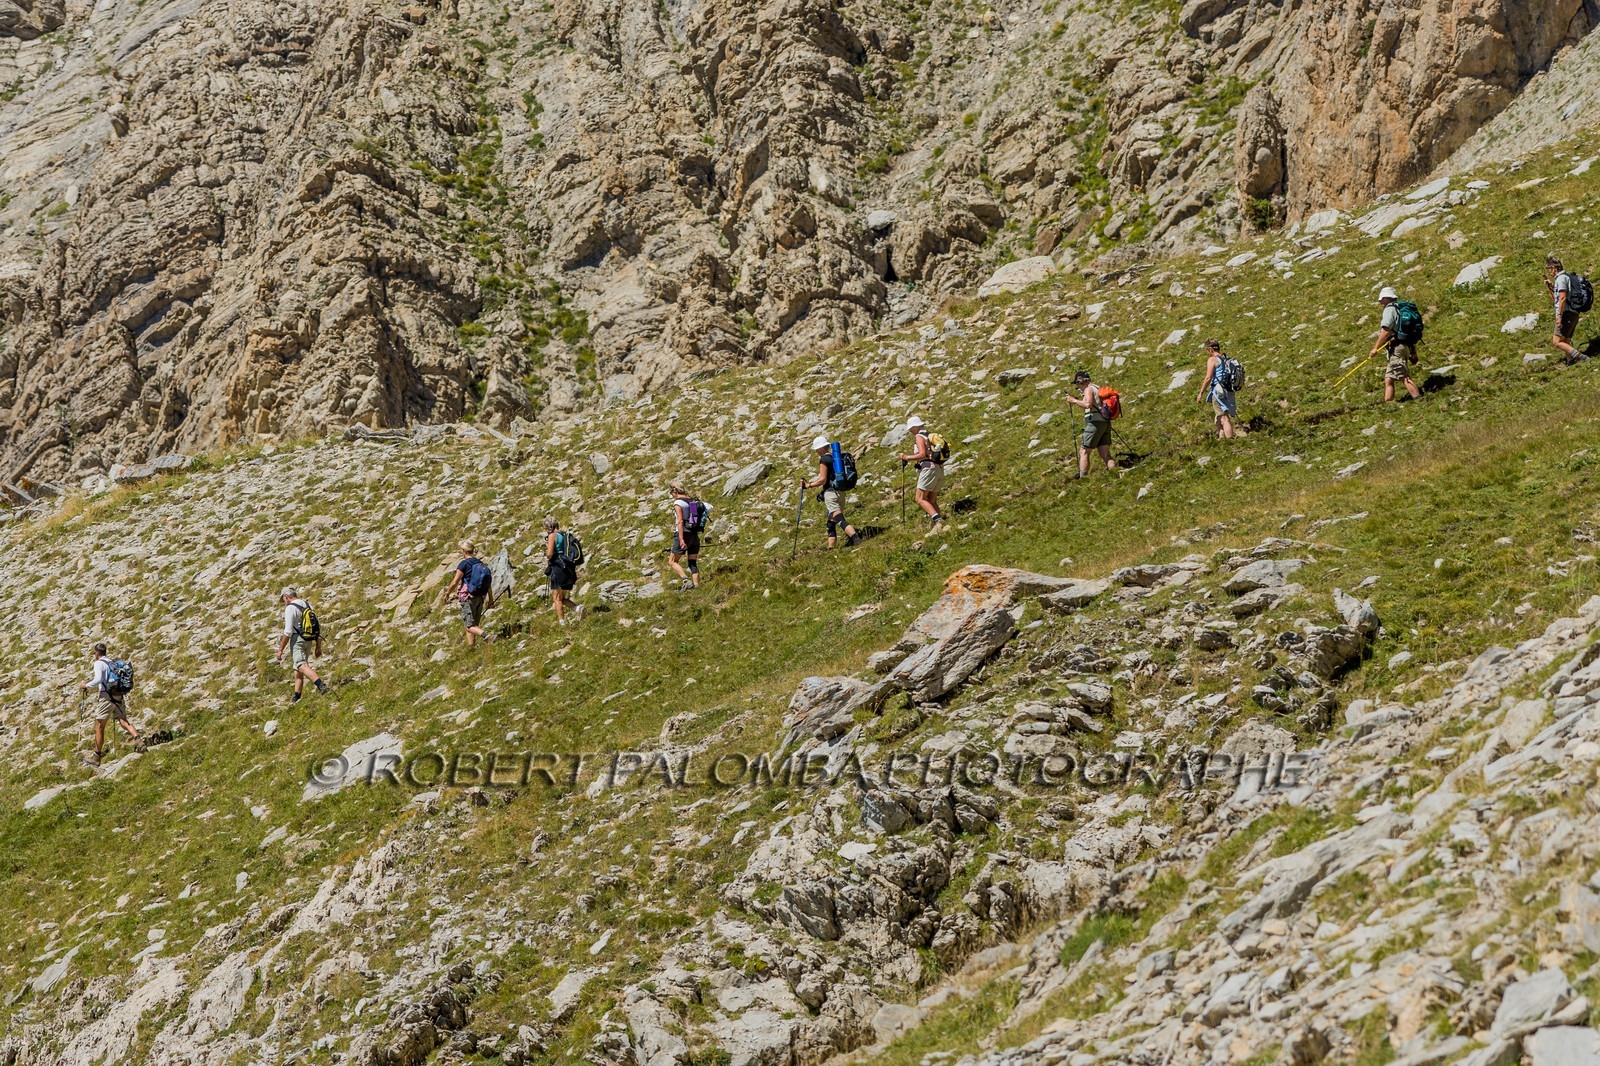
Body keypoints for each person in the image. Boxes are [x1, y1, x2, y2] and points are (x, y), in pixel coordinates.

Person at [80, 643, 143, 766]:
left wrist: (85, 685)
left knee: (99, 726)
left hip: (106, 697)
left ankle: (96, 756)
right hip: (118, 695)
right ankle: (138, 739)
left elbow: (98, 679)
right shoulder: (111, 662)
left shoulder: (99, 663)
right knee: (123, 721)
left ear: (96, 654)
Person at [804, 435, 860, 548]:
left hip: (831, 493)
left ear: (820, 448)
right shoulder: (835, 458)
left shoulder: (824, 460)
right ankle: (831, 548)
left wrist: (808, 485)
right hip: (841, 492)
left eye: (816, 449)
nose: (816, 452)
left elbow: (822, 479)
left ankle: (856, 538)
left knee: (838, 518)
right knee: (831, 522)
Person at [275, 587, 328, 703]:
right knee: (297, 667)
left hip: (297, 639)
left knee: (301, 665)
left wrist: (280, 650)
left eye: (283, 599)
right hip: (308, 639)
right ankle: (297, 696)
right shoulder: (307, 605)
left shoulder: (290, 608)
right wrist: (318, 646)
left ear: (286, 597)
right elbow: (317, 626)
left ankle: (321, 685)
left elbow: (288, 631)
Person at [438, 541, 495, 646]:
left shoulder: (464, 564)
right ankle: (471, 648)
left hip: (468, 597)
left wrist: (447, 593)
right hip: (480, 596)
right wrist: (491, 599)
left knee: (469, 626)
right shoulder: (480, 563)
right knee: (473, 625)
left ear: (463, 551)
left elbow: (455, 582)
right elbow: (488, 584)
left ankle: (487, 636)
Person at [1371, 287, 1421, 403]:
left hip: (1396, 349)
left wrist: (1375, 348)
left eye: (1382, 300)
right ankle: (1388, 403)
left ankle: (1419, 400)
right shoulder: (1399, 309)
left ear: (1387, 298)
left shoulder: (1389, 310)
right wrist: (1413, 352)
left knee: (1404, 376)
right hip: (1403, 347)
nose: (1380, 302)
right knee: (1389, 378)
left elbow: (1386, 330)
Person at [897, 416, 946, 530]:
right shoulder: (928, 435)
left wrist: (906, 457)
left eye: (911, 428)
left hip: (928, 469)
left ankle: (937, 520)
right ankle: (940, 521)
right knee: (931, 500)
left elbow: (922, 454)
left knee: (919, 498)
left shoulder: (919, 436)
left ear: (915, 427)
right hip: (938, 468)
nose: (910, 431)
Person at [1066, 370, 1116, 478]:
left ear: (1080, 382)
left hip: (1094, 424)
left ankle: (1083, 478)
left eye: (1077, 384)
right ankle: (1115, 472)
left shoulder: (1088, 389)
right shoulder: (1097, 387)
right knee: (1105, 454)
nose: (1077, 387)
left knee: (1084, 451)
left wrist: (1074, 400)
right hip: (1105, 423)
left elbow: (1088, 404)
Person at [1195, 340, 1237, 439]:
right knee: (1218, 418)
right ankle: (1222, 440)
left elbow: (1208, 378)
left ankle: (1230, 441)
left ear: (1210, 349)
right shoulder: (1225, 358)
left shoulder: (1212, 360)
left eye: (1207, 350)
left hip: (1219, 392)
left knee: (1224, 418)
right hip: (1228, 390)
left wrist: (1201, 392)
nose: (1207, 352)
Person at [1546, 254, 1584, 363]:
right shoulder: (1565, 277)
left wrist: (1559, 316)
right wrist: (1551, 286)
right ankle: (1570, 361)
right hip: (1573, 312)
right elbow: (1559, 295)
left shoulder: (1561, 279)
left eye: (1549, 269)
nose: (1549, 272)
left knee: (1556, 341)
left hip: (1566, 313)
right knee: (1565, 340)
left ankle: (1581, 357)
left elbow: (1562, 298)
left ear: (1554, 268)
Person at [667, 484, 703, 591]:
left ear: (675, 492)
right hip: (694, 534)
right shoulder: (692, 501)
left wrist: (681, 539)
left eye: (672, 493)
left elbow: (680, 521)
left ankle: (686, 580)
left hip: (683, 533)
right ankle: (696, 586)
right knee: (692, 562)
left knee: (672, 561)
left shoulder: (678, 503)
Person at [544, 517, 579, 624]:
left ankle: (562, 623)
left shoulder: (552, 536)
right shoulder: (564, 535)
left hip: (557, 569)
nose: (546, 531)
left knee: (557, 599)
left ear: (550, 527)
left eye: (546, 528)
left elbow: (549, 554)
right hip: (568, 568)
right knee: (562, 598)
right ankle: (578, 608)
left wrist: (547, 549)